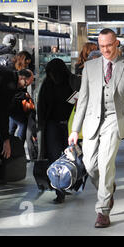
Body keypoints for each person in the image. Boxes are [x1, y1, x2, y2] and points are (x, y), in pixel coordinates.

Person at [68, 28, 124, 228]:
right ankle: (108, 189)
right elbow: (83, 100)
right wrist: (75, 130)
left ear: (116, 43)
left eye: (109, 46)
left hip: (114, 119)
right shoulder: (89, 67)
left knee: (105, 164)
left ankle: (102, 211)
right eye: (102, 46)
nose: (105, 50)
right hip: (91, 121)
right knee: (90, 165)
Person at [37, 58, 81, 204]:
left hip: (64, 126)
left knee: (63, 157)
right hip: (60, 125)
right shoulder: (59, 82)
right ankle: (61, 189)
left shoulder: (66, 82)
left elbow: (41, 106)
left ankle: (66, 185)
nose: (52, 76)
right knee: (61, 157)